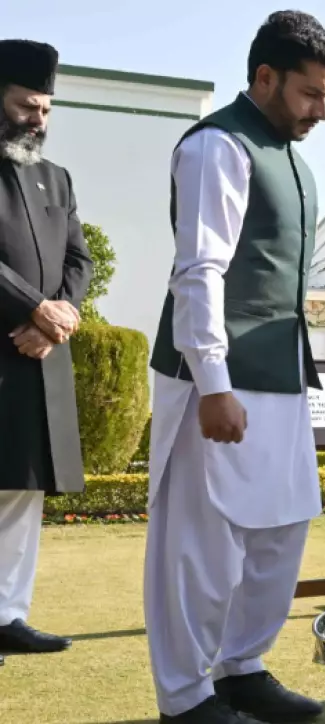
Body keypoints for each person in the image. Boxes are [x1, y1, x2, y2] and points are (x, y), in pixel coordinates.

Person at [142, 12, 325, 724]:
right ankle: (185, 695)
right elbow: (198, 272)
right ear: (264, 77)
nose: (321, 112)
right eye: (310, 95)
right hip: (216, 381)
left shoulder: (293, 158)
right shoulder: (216, 147)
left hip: (284, 377)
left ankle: (240, 666)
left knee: (280, 528)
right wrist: (214, 384)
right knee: (199, 545)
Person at [0, 38, 93, 668]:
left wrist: (60, 317)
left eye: (47, 109)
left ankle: (8, 614)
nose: (39, 119)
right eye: (27, 106)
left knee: (20, 491)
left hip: (38, 355)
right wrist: (34, 306)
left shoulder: (55, 178)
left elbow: (79, 259)